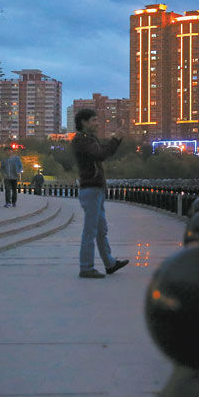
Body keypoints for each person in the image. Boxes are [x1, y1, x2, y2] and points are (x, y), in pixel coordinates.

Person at [72, 108, 129, 279]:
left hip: (96, 190)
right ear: (84, 122)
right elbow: (101, 154)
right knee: (90, 230)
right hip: (90, 190)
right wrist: (116, 139)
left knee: (101, 230)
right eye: (94, 120)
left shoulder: (89, 139)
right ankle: (86, 267)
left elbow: (101, 151)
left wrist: (115, 139)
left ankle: (110, 263)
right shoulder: (81, 141)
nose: (97, 123)